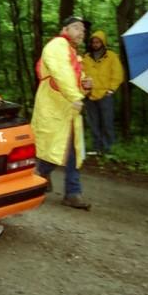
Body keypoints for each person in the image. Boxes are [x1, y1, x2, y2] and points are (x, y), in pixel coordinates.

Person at [31, 16, 92, 210]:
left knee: (71, 151)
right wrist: (76, 95)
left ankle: (72, 193)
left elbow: (74, 80)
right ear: (65, 29)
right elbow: (61, 74)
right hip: (54, 108)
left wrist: (85, 86)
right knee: (52, 151)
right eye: (76, 28)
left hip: (69, 111)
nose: (81, 32)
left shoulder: (73, 53)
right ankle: (37, 178)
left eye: (83, 30)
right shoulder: (57, 45)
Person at [81, 30, 124, 155]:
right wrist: (84, 92)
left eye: (98, 41)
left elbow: (118, 74)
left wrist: (111, 90)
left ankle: (109, 148)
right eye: (93, 42)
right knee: (94, 123)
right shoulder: (86, 58)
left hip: (105, 95)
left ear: (103, 42)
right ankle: (96, 148)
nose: (95, 44)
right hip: (89, 96)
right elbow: (81, 75)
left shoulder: (111, 56)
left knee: (107, 122)